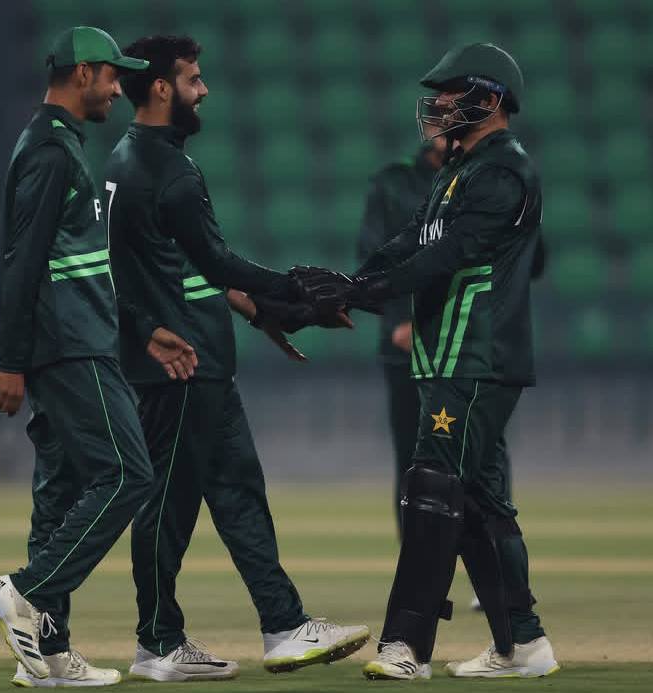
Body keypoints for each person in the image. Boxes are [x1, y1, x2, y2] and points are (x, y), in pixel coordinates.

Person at [290, 43, 559, 680]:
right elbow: (408, 243)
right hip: (452, 358)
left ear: (488, 100)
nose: (436, 102)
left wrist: (358, 292)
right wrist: (335, 289)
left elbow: (445, 257)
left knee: (433, 488)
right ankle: (522, 643)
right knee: (481, 501)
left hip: (477, 356)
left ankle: (405, 644)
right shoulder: (458, 171)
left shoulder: (502, 174)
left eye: (450, 91)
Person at [104, 34, 368, 683]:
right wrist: (299, 290)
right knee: (177, 503)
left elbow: (184, 270)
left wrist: (261, 312)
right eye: (194, 79)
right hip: (184, 361)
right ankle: (171, 639)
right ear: (163, 88)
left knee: (226, 492)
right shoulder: (171, 172)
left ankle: (261, 626)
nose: (205, 91)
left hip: (188, 356)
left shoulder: (127, 157)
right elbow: (217, 263)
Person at [0, 27, 189, 689]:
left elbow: (85, 263)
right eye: (110, 78)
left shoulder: (63, 144)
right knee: (128, 473)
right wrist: (10, 359)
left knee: (64, 489)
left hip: (85, 338)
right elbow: (21, 261)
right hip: (71, 348)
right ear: (84, 75)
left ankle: (48, 654)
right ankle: (28, 590)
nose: (117, 89)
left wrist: (142, 327)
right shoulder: (48, 149)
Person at [357, 139, 447, 535]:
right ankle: (417, 572)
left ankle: (491, 574)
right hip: (407, 345)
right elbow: (374, 254)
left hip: (463, 342)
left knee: (475, 459)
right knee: (412, 458)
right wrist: (398, 319)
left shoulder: (484, 179)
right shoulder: (393, 183)